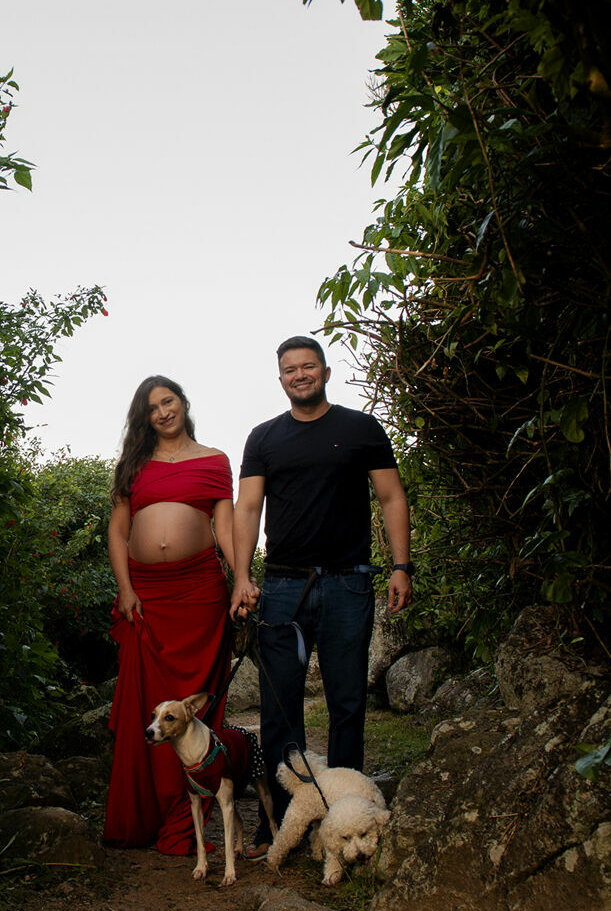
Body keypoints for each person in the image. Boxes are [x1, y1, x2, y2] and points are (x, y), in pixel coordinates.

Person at [230, 336, 412, 852]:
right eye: (289, 369)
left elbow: (391, 495)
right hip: (284, 585)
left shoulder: (360, 428)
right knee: (279, 706)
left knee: (347, 700)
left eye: (308, 366)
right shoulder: (264, 437)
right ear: (280, 378)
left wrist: (401, 566)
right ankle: (286, 820)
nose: (299, 375)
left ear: (326, 372)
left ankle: (351, 813)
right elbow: (247, 510)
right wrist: (243, 577)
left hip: (348, 581)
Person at [102, 375, 241, 853]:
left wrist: (242, 578)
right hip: (148, 597)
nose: (162, 412)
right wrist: (125, 589)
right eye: (152, 408)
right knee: (146, 701)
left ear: (183, 403)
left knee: (196, 703)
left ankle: (189, 820)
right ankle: (143, 817)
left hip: (200, 594)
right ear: (144, 419)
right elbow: (118, 532)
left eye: (168, 401)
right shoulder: (133, 465)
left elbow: (226, 529)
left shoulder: (215, 461)